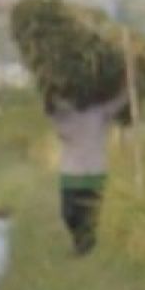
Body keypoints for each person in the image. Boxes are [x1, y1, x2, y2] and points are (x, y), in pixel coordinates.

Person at [45, 86, 130, 254]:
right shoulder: (64, 116)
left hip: (94, 171)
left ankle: (85, 244)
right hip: (71, 173)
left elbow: (119, 102)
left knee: (90, 213)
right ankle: (81, 240)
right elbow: (49, 108)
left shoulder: (99, 113)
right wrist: (49, 91)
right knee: (68, 214)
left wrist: (128, 84)